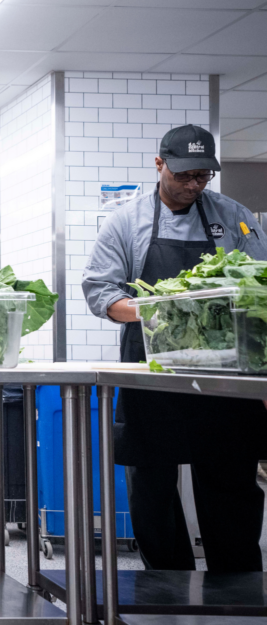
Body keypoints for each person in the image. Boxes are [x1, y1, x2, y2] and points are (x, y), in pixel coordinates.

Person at [82, 124, 267, 572]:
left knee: (231, 483)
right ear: (159, 164)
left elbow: (259, 287)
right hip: (152, 371)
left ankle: (237, 585)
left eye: (202, 176)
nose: (192, 185)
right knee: (151, 484)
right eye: (183, 174)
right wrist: (164, 310)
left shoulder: (235, 216)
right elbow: (100, 293)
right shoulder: (125, 221)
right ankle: (166, 583)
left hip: (223, 376)